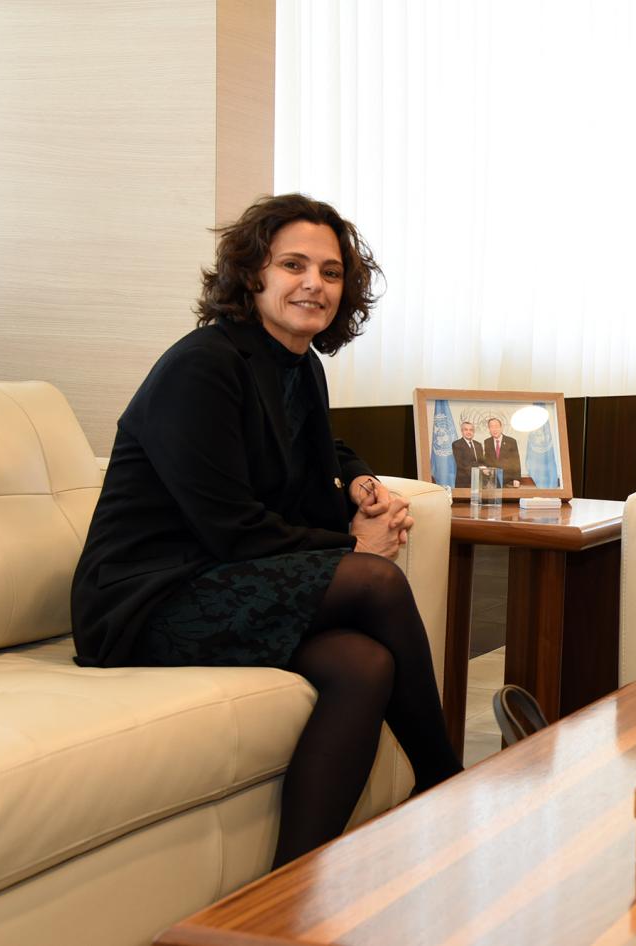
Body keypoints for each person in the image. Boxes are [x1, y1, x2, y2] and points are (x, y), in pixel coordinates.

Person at [70, 193, 462, 868]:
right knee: (374, 581)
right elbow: (234, 530)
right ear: (253, 274)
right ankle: (446, 785)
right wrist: (353, 547)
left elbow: (315, 452)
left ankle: (291, 890)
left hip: (218, 576)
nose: (314, 284)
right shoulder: (201, 365)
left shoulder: (297, 365)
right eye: (293, 265)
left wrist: (359, 482)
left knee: (363, 666)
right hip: (146, 598)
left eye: (331, 272)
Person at [482, 417, 522, 488]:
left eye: (496, 426)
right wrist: (484, 467)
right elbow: (487, 460)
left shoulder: (511, 441)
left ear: (501, 428)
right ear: (489, 429)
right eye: (491, 427)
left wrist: (517, 478)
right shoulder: (487, 442)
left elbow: (516, 461)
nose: (494, 429)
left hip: (509, 481)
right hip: (493, 481)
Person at [452, 421, 484, 488]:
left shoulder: (478, 445)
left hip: (478, 481)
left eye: (471, 430)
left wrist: (484, 468)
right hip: (463, 483)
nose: (468, 432)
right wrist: (478, 469)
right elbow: (462, 464)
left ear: (473, 432)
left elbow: (481, 462)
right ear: (462, 431)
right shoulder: (456, 444)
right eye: (466, 430)